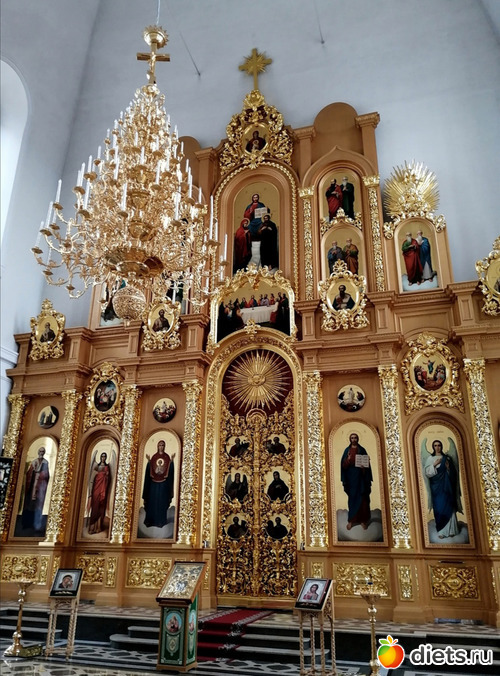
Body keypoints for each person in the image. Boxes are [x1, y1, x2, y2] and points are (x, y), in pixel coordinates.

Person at [424, 439, 462, 538]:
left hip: (447, 487)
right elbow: (427, 473)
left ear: (441, 446)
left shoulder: (447, 458)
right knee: (439, 507)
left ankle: (452, 530)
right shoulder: (430, 459)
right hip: (436, 488)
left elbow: (453, 475)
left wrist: (448, 468)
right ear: (433, 447)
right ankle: (442, 532)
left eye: (439, 445)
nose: (437, 447)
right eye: (435, 445)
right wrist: (434, 464)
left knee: (449, 506)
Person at [340, 432, 372, 531]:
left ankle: (363, 520)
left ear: (358, 439)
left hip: (361, 477)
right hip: (351, 478)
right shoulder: (347, 450)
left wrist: (364, 466)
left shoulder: (362, 450)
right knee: (352, 498)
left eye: (355, 438)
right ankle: (351, 520)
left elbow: (367, 464)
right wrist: (348, 460)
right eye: (352, 438)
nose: (354, 439)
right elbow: (343, 466)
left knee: (363, 498)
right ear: (350, 439)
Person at [142, 440, 175, 529]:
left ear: (164, 446)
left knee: (161, 502)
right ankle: (150, 521)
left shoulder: (167, 457)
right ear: (157, 446)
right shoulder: (154, 457)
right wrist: (149, 462)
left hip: (163, 484)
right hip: (154, 485)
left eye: (163, 445)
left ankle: (160, 521)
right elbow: (151, 469)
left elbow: (169, 469)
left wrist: (171, 462)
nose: (161, 447)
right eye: (160, 445)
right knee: (152, 502)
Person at [21, 446, 50, 533]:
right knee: (29, 504)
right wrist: (33, 471)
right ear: (38, 452)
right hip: (32, 485)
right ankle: (27, 523)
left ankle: (37, 524)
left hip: (40, 486)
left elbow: (47, 474)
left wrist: (41, 475)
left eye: (43, 451)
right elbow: (28, 473)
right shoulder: (34, 461)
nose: (41, 453)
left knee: (38, 504)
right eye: (40, 451)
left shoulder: (45, 462)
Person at [87, 452, 111, 534]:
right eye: (102, 456)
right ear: (100, 457)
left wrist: (106, 476)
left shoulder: (107, 467)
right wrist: (90, 493)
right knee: (95, 508)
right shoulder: (96, 466)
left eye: (104, 457)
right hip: (96, 490)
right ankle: (92, 527)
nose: (103, 458)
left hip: (103, 489)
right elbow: (92, 479)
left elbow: (108, 479)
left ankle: (98, 527)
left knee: (101, 508)